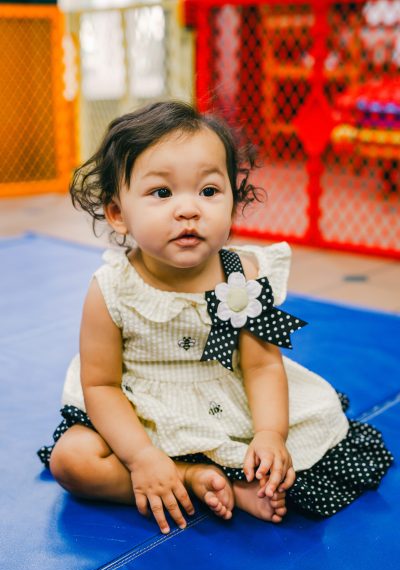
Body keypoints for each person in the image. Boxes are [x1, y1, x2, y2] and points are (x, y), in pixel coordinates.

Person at [38, 101, 393, 534]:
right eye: (162, 193)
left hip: (227, 402)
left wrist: (269, 435)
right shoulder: (110, 289)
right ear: (118, 214)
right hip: (138, 410)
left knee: (292, 459)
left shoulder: (241, 275)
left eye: (209, 191)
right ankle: (189, 478)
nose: (189, 210)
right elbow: (101, 385)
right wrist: (142, 458)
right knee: (72, 462)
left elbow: (262, 366)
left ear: (233, 201)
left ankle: (234, 482)